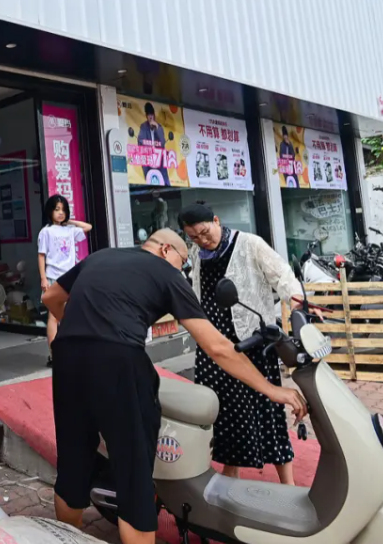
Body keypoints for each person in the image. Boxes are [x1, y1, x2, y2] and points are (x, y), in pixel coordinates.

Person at [41, 230, 306, 544]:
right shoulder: (166, 273)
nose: (183, 270)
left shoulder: (100, 256)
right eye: (182, 263)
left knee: (72, 462)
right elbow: (217, 347)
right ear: (166, 249)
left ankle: (69, 536)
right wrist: (272, 390)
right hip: (118, 361)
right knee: (135, 475)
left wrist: (81, 331)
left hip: (67, 356)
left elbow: (50, 298)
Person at [179, 203, 304, 485]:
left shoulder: (249, 244)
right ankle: (229, 477)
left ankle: (288, 484)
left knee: (268, 412)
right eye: (194, 237)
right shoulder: (197, 254)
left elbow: (282, 275)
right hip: (213, 346)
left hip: (251, 341)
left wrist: (298, 304)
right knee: (225, 416)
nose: (202, 240)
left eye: (204, 232)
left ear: (216, 220)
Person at [37, 195, 92, 367]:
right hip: (53, 277)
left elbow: (88, 227)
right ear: (50, 211)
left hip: (71, 277)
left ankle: (71, 351)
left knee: (71, 315)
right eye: (56, 209)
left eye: (63, 210)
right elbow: (41, 256)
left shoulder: (70, 230)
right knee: (53, 317)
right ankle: (54, 354)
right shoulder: (46, 232)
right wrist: (43, 278)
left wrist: (70, 221)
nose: (60, 213)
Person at [137, 102, 170, 186]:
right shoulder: (143, 127)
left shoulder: (159, 126)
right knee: (150, 181)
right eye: (148, 115)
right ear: (146, 116)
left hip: (159, 159)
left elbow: (162, 143)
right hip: (149, 159)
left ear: (154, 115)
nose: (150, 117)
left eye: (152, 114)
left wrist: (157, 128)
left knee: (164, 180)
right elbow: (140, 142)